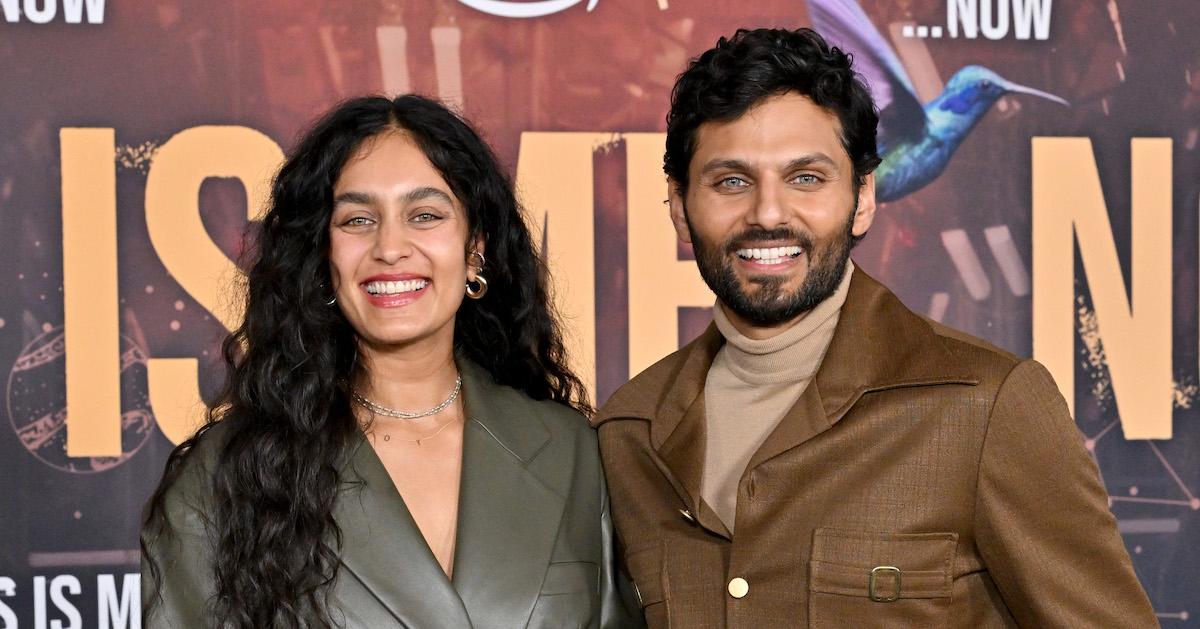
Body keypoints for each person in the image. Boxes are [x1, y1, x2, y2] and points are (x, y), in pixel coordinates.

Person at [593, 28, 1158, 627]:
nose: (767, 213)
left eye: (806, 178)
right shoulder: (630, 431)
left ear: (864, 197)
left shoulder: (985, 406)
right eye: (731, 181)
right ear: (680, 207)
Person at [142, 94, 637, 629]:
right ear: (321, 255)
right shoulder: (224, 478)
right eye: (357, 219)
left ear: (475, 249)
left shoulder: (570, 452)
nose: (391, 247)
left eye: (424, 215)